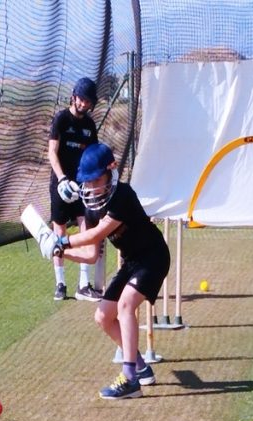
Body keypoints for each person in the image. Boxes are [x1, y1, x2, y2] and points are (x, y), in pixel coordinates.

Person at [30, 143, 170, 400]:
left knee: (126, 305)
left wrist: (61, 241)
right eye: (87, 181)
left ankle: (130, 379)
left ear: (111, 171)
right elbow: (91, 254)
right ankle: (140, 367)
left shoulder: (123, 196)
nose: (92, 187)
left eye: (96, 180)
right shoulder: (91, 206)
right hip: (132, 262)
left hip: (153, 257)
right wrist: (59, 252)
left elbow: (97, 234)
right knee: (103, 317)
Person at [47, 77, 106, 302]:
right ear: (74, 96)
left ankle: (83, 285)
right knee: (60, 232)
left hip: (83, 187)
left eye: (88, 101)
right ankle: (60, 283)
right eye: (81, 99)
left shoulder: (89, 125)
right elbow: (52, 152)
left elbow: (92, 155)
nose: (83, 104)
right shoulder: (61, 119)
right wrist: (62, 179)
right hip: (61, 186)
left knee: (86, 231)